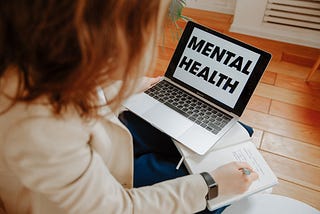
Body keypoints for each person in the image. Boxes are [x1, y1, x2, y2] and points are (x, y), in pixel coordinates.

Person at [0, 1, 258, 213]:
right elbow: (118, 209)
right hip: (97, 180)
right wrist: (212, 184)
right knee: (219, 195)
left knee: (238, 130)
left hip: (99, 134)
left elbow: (79, 85)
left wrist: (136, 85)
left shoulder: (35, 54)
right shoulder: (39, 124)